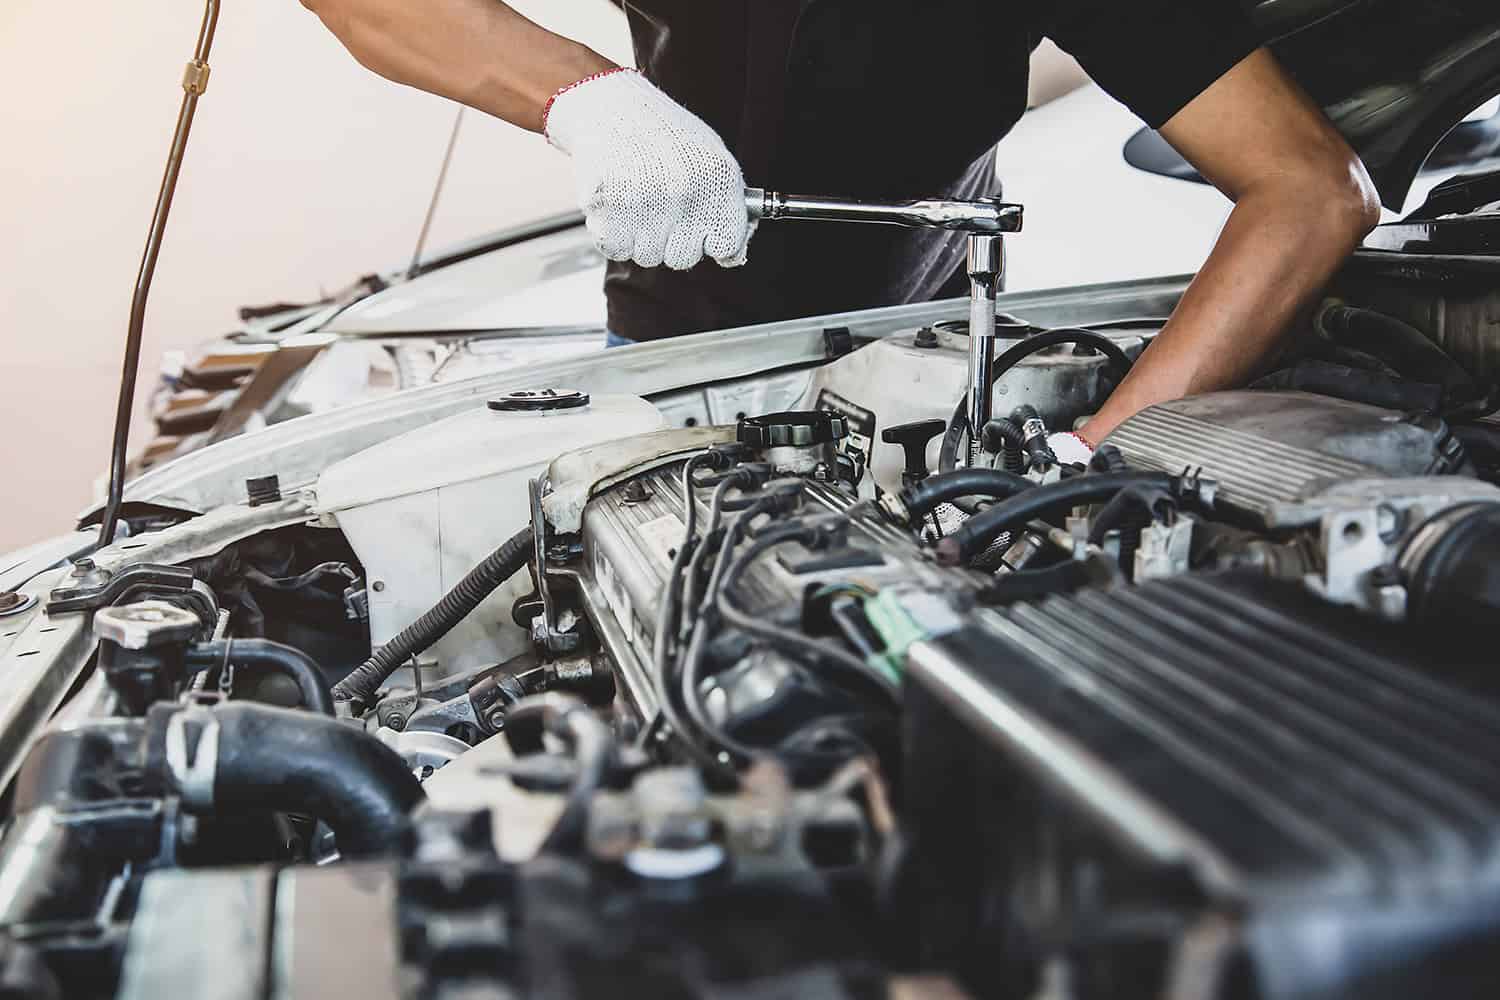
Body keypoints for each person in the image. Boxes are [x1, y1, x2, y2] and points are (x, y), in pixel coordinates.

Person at [298, 0, 1381, 458]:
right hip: (671, 362)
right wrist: (575, 91)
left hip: (915, 386)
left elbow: (1310, 187)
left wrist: (1099, 452)